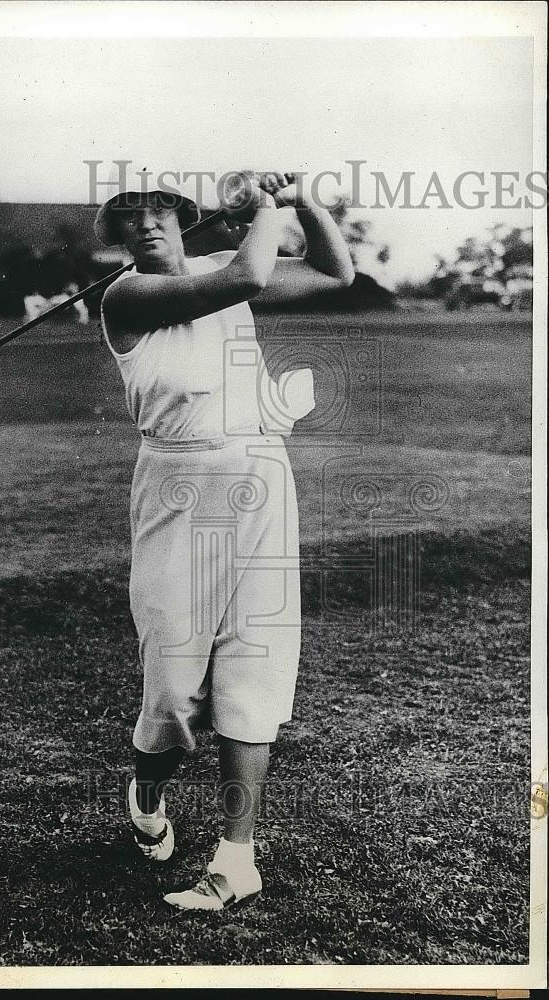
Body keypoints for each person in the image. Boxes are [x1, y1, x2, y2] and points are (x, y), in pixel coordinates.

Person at [96, 170, 354, 910]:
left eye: (161, 211)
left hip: (261, 478)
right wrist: (262, 205)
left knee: (253, 666)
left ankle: (235, 858)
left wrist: (300, 197)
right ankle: (146, 788)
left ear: (183, 218)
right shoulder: (127, 297)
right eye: (130, 217)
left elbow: (337, 272)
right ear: (118, 236)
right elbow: (249, 270)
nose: (147, 225)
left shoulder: (219, 272)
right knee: (173, 692)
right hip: (178, 489)